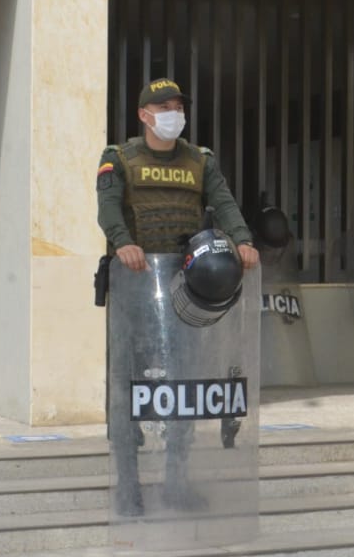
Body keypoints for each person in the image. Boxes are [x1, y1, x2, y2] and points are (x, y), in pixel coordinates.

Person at [96, 77, 260, 515]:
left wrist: (241, 240)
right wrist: (122, 242)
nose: (174, 113)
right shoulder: (119, 158)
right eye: (164, 106)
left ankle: (175, 482)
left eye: (178, 106)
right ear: (144, 114)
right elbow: (108, 208)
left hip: (187, 290)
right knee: (128, 386)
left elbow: (223, 203)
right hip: (136, 287)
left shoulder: (199, 161)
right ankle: (128, 484)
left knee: (183, 385)